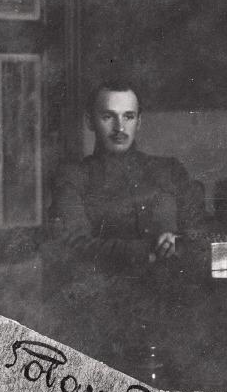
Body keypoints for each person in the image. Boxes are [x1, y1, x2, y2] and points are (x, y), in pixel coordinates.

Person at [45, 78, 207, 276]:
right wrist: (147, 250)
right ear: (90, 121)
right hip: (107, 296)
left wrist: (177, 240)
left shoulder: (170, 170)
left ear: (139, 121)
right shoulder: (73, 177)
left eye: (128, 117)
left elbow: (200, 231)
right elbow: (73, 245)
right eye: (108, 117)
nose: (119, 128)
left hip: (173, 293)